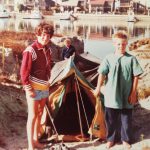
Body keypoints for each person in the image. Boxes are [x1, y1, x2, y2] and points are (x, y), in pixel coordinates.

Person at [94, 30, 143, 149]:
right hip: (111, 94)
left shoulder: (131, 59)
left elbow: (136, 76)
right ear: (114, 44)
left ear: (127, 44)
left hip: (126, 94)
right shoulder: (108, 58)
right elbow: (102, 74)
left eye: (124, 44)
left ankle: (125, 139)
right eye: (119, 44)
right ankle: (111, 139)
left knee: (126, 119)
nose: (121, 46)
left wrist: (133, 93)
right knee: (110, 119)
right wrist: (98, 88)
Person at [20, 22, 54, 150]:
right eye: (43, 35)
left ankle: (35, 140)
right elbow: (24, 73)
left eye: (48, 35)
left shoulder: (48, 50)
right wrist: (29, 89)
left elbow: (48, 67)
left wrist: (49, 80)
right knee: (33, 115)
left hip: (44, 86)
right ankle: (30, 146)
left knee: (40, 114)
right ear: (38, 34)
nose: (46, 38)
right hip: (33, 87)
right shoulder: (30, 50)